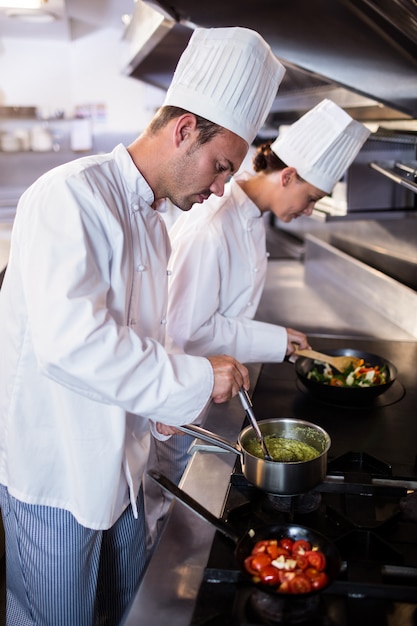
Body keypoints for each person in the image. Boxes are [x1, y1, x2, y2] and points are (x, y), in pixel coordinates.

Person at [0, 27, 285, 626]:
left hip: (130, 473)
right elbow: (71, 345)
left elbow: (139, 341)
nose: (217, 189)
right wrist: (194, 378)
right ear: (184, 129)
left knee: (117, 615)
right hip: (61, 477)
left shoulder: (155, 223)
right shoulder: (69, 197)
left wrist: (165, 404)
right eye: (219, 168)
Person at [145, 99, 371, 543]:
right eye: (310, 199)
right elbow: (188, 329)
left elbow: (224, 313)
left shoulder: (248, 216)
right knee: (172, 524)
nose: (308, 212)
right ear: (287, 176)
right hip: (183, 404)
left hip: (213, 389)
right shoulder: (212, 225)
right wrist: (275, 342)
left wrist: (279, 337)